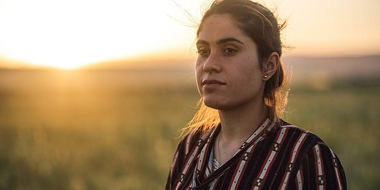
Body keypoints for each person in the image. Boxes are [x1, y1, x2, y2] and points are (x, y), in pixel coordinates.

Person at [166, 0, 347, 189]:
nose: (208, 64)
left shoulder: (306, 155)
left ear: (268, 65)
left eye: (229, 50)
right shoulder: (189, 147)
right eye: (203, 51)